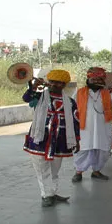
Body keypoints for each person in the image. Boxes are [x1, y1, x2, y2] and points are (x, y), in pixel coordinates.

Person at [23, 69, 80, 207]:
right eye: (53, 82)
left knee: (55, 168)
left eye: (60, 83)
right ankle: (46, 195)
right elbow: (26, 98)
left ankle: (52, 192)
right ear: (49, 82)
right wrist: (33, 86)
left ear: (64, 84)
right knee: (42, 168)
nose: (56, 85)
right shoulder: (39, 96)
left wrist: (77, 140)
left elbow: (75, 121)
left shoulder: (71, 102)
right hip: (40, 138)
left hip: (61, 139)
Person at [72, 67, 112, 182]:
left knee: (102, 150)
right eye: (93, 79)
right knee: (83, 149)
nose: (96, 81)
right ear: (88, 79)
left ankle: (96, 171)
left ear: (103, 81)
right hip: (85, 128)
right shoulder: (79, 92)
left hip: (103, 127)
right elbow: (71, 106)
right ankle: (78, 172)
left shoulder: (108, 93)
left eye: (99, 79)